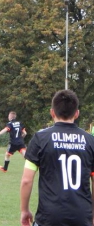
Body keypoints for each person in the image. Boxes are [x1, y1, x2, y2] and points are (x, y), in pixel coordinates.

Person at [20, 90, 94, 226]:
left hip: (49, 217)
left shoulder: (40, 138)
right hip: (82, 217)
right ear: (76, 113)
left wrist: (24, 210)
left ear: (52, 112)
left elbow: (26, 180)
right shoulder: (90, 141)